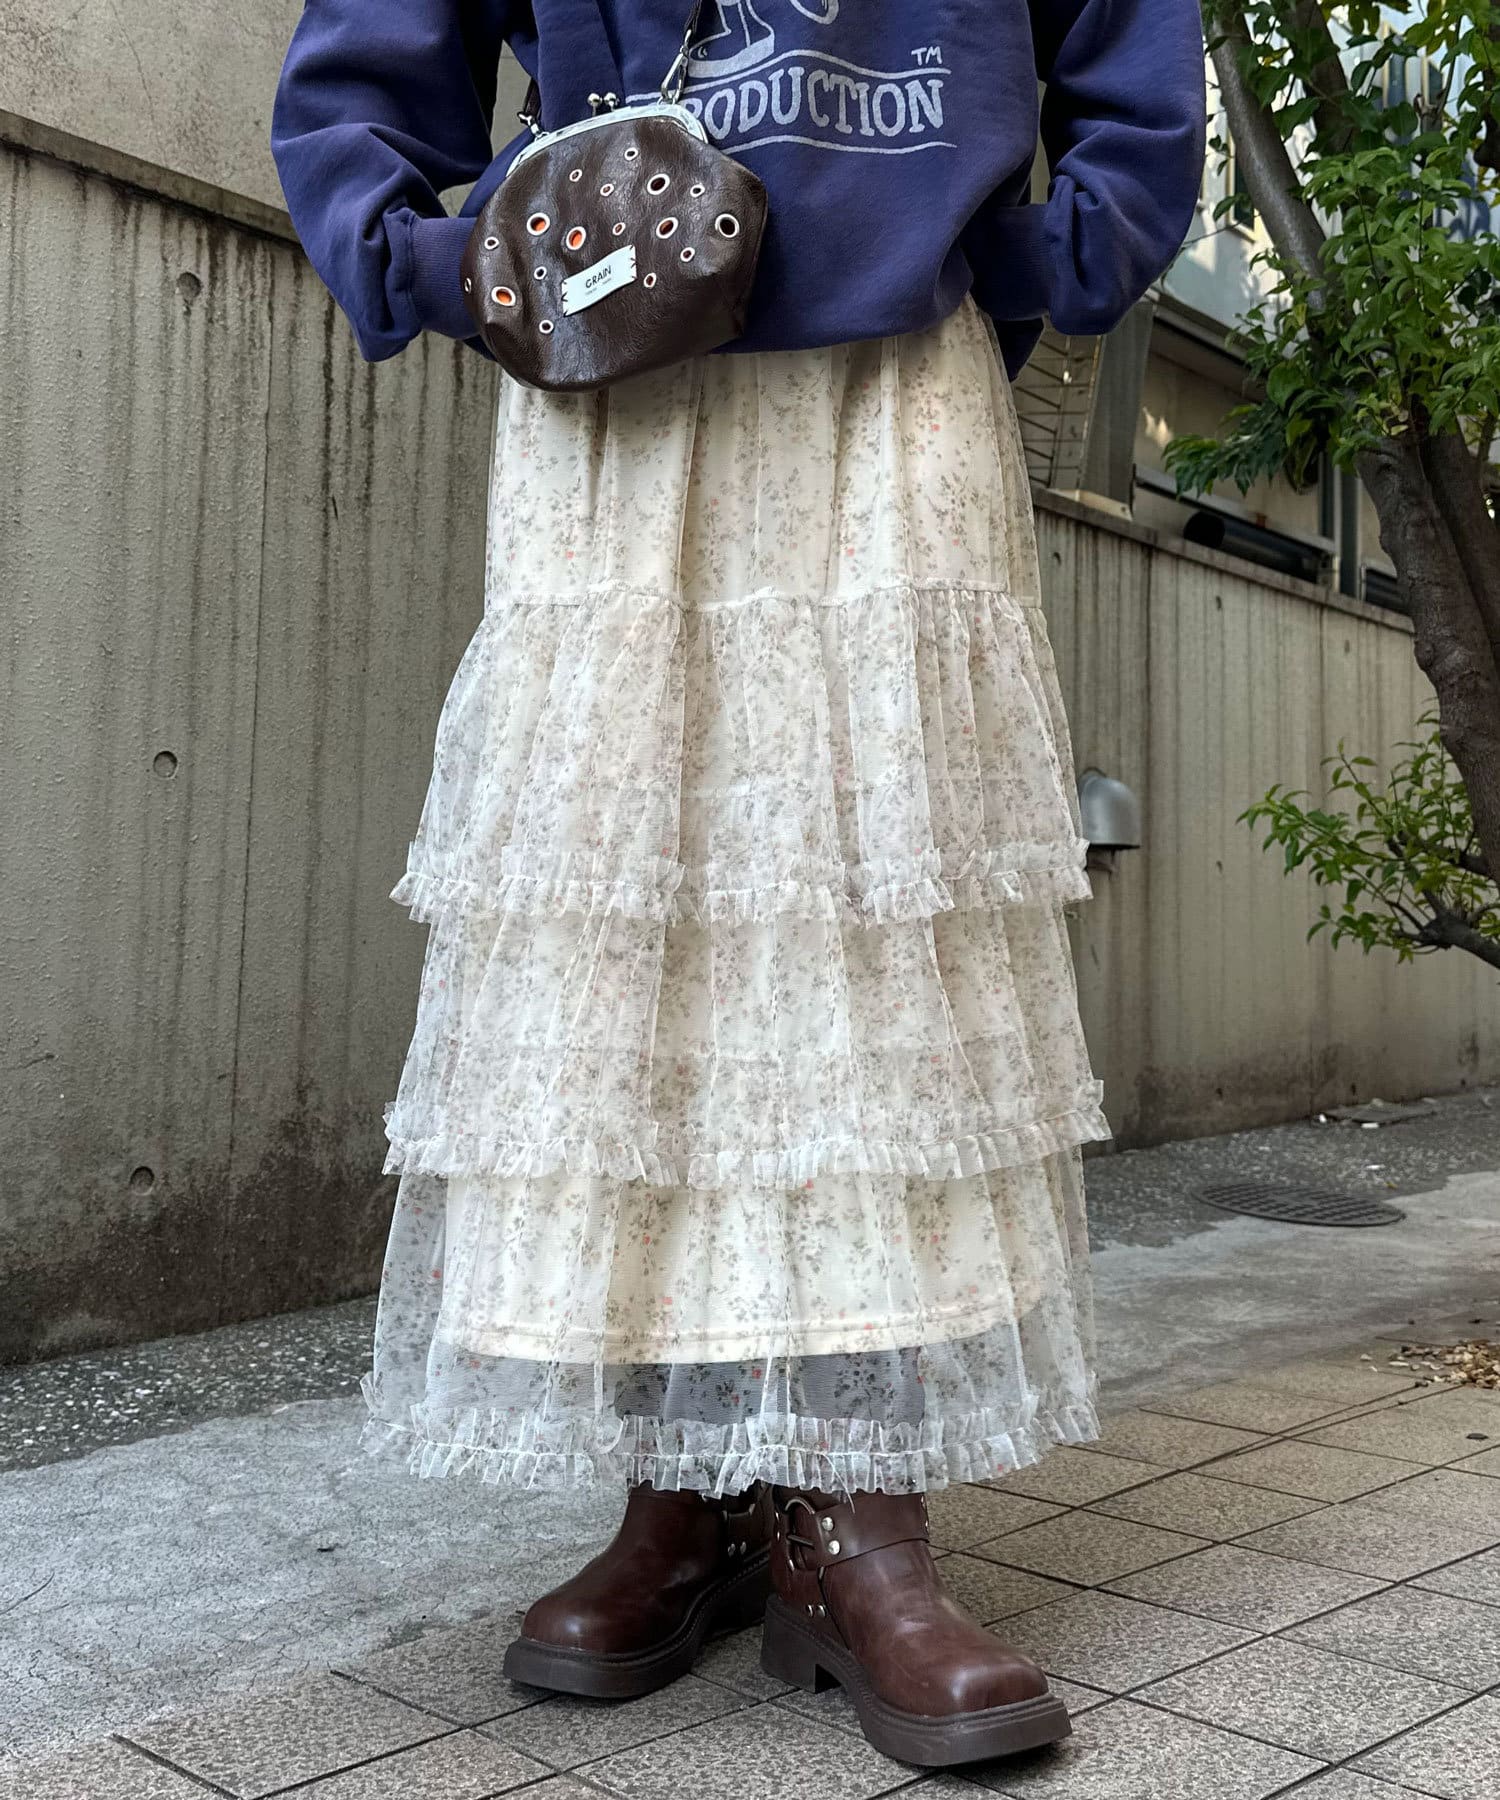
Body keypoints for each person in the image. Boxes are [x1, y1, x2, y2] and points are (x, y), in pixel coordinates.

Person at [272, 0, 1204, 1768]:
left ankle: (856, 1514)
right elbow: (368, 70)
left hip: (891, 398)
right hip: (615, 378)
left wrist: (994, 246)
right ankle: (690, 1493)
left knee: (867, 939)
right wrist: (454, 262)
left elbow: (1131, 63)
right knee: (647, 950)